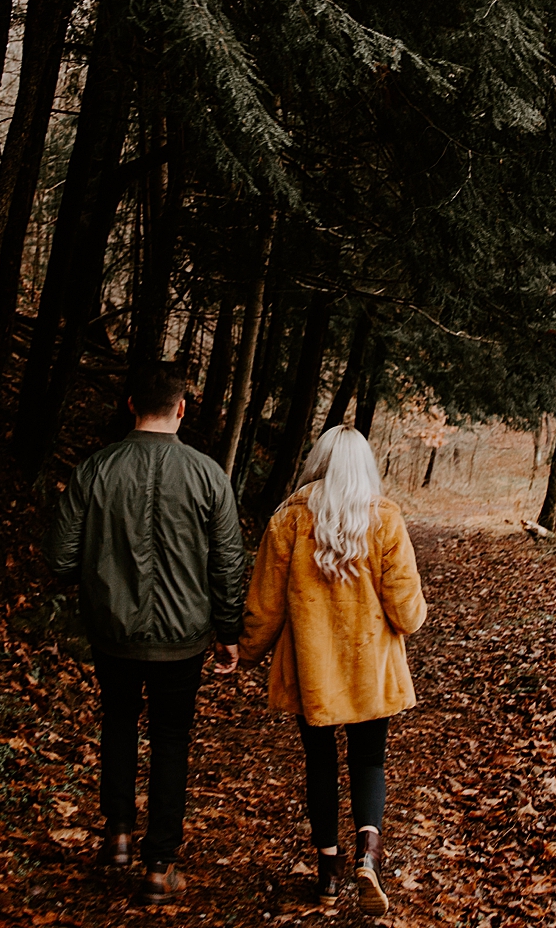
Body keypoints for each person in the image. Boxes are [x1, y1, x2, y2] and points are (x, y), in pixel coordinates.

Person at [47, 361, 245, 907]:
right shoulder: (210, 475)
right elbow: (229, 562)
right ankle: (159, 865)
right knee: (172, 741)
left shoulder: (94, 469)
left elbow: (62, 556)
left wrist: (97, 581)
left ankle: (116, 836)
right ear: (182, 409)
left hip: (113, 632)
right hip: (183, 639)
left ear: (131, 405)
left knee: (117, 724)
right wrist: (228, 630)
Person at [238, 425, 427, 912]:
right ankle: (367, 853)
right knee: (369, 760)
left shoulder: (288, 519)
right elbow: (406, 612)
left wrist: (244, 650)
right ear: (365, 465)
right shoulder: (384, 519)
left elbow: (265, 604)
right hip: (370, 668)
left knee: (319, 763)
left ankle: (327, 874)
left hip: (311, 668)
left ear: (317, 461)